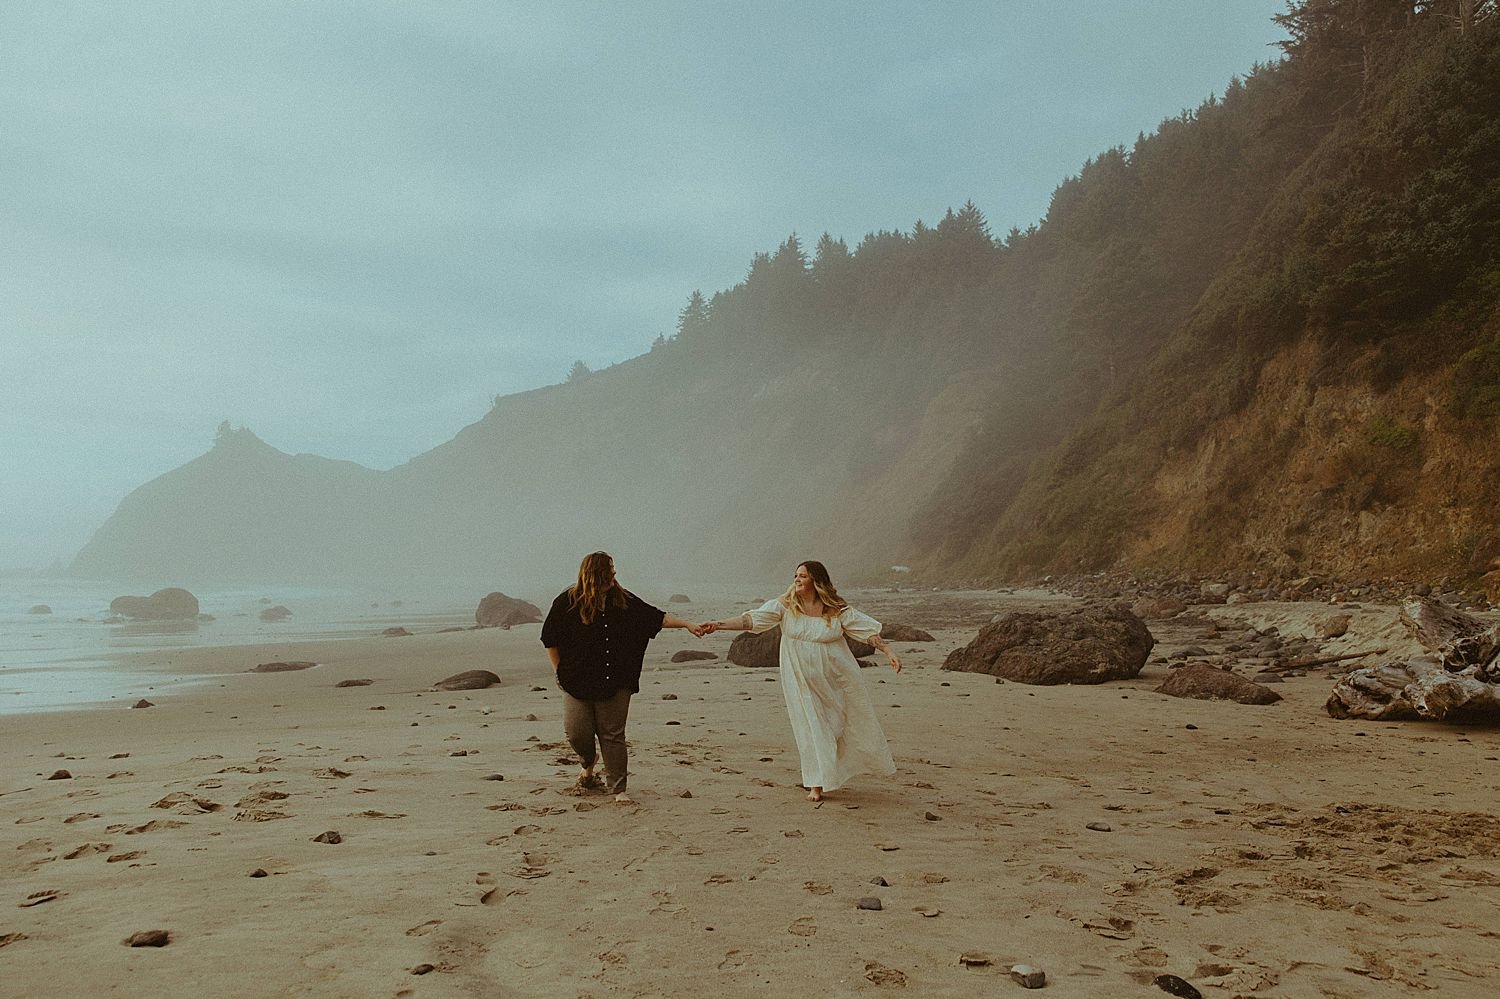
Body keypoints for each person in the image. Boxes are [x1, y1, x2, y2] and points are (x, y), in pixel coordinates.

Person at [701, 560, 901, 802]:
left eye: (803, 576)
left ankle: (833, 770)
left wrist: (888, 652)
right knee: (811, 726)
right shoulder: (784, 607)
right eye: (795, 575)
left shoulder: (836, 610)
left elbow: (865, 631)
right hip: (800, 680)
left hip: (836, 679)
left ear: (816, 581)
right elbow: (750, 620)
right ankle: (816, 783)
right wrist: (718, 625)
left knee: (837, 725)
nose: (797, 580)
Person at [541, 551, 704, 804]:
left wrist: (687, 625)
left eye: (614, 570)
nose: (614, 575)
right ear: (594, 574)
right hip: (575, 680)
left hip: (616, 679)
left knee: (612, 735)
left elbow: (656, 617)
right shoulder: (568, 602)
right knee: (576, 733)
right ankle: (588, 761)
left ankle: (618, 789)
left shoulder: (623, 600)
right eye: (609, 571)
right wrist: (559, 672)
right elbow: (550, 640)